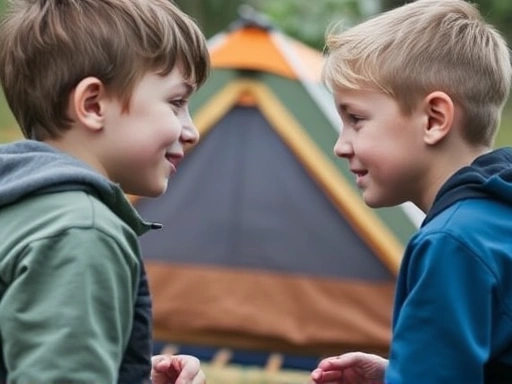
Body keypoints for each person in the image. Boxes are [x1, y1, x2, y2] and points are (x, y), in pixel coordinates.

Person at [0, 0, 209, 383]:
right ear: (93, 104)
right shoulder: (81, 233)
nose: (191, 130)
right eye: (176, 103)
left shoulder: (15, 205)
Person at [310, 0, 512, 383]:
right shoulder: (498, 218)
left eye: (356, 119)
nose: (340, 145)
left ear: (434, 119)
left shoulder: (453, 243)